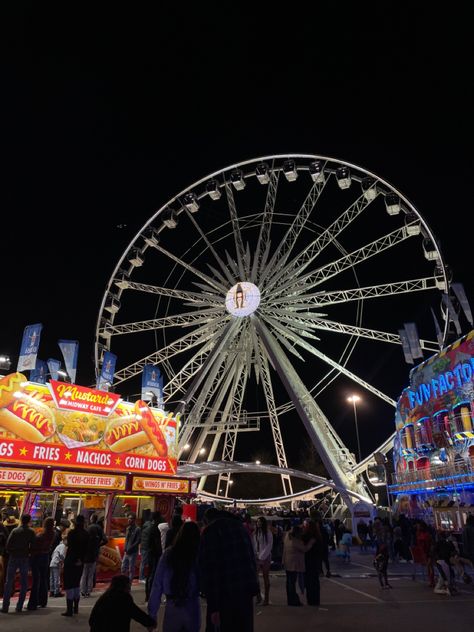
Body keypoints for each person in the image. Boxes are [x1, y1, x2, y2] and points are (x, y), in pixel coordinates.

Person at [199, 508, 259, 632]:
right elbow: (251, 559)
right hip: (245, 592)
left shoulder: (211, 531)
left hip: (224, 596)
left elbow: (211, 569)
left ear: (207, 520)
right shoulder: (241, 529)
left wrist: (213, 605)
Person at [148, 521, 200, 631]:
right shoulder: (198, 554)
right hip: (192, 605)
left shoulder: (169, 554)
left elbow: (157, 585)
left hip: (172, 605)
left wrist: (152, 613)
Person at [89, 573, 156, 632]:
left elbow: (91, 620)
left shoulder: (104, 597)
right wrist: (151, 623)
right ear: (125, 586)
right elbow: (137, 613)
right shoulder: (124, 598)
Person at [1, 513, 36, 613]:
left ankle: (5, 606)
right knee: (24, 583)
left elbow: (8, 545)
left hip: (14, 557)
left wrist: (12, 551)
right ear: (29, 521)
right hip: (24, 558)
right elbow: (33, 546)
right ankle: (19, 606)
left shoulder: (15, 531)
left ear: (21, 519)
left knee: (9, 582)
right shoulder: (31, 532)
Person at [62, 514, 89, 616]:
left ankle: (69, 609)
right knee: (76, 584)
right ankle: (76, 608)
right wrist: (81, 559)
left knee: (69, 584)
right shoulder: (86, 534)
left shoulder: (72, 533)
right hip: (80, 562)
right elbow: (86, 549)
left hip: (71, 560)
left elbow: (70, 546)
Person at [282, 524, 314, 606]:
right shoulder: (295, 541)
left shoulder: (287, 538)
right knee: (292, 583)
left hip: (287, 562)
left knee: (289, 582)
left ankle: (290, 600)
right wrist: (311, 543)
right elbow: (305, 549)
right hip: (294, 564)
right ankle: (294, 600)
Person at [27, 516, 55, 610]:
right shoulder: (52, 533)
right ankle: (43, 600)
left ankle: (33, 603)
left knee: (36, 580)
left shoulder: (41, 535)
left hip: (37, 556)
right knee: (43, 579)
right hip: (45, 556)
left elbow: (34, 547)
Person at [81, 513, 107, 597]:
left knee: (85, 573)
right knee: (91, 573)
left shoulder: (87, 529)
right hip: (94, 554)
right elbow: (105, 540)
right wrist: (98, 545)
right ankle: (88, 590)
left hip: (86, 554)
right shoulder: (99, 529)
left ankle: (83, 590)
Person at [302, 518, 322, 606]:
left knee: (310, 581)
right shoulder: (317, 536)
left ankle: (311, 600)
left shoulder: (308, 536)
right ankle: (315, 599)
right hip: (315, 561)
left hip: (309, 560)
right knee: (314, 581)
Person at [253, 516, 273, 606]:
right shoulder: (256, 533)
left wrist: (262, 557)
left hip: (265, 557)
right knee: (255, 578)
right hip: (257, 556)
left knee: (265, 577)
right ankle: (258, 597)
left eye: (260, 522)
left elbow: (269, 546)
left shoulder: (268, 533)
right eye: (257, 522)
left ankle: (267, 599)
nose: (258, 523)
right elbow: (254, 545)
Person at [145, 512, 163, 602]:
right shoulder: (156, 529)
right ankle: (151, 595)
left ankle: (148, 595)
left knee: (150, 574)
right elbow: (157, 544)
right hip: (154, 554)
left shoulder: (150, 528)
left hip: (150, 553)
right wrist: (160, 553)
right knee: (153, 574)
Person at [122, 513, 141, 583]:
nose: (129, 520)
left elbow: (138, 541)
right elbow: (126, 539)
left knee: (131, 569)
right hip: (126, 552)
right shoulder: (128, 528)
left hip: (133, 552)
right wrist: (125, 547)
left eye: (131, 518)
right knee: (123, 567)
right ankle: (124, 582)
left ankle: (129, 584)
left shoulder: (137, 529)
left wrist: (131, 548)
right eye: (128, 518)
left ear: (134, 520)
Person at [50, 533, 67, 597]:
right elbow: (62, 555)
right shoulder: (63, 546)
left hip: (52, 562)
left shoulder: (58, 546)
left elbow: (52, 555)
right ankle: (56, 592)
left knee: (52, 578)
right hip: (57, 563)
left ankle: (52, 591)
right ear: (65, 540)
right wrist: (64, 560)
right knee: (56, 578)